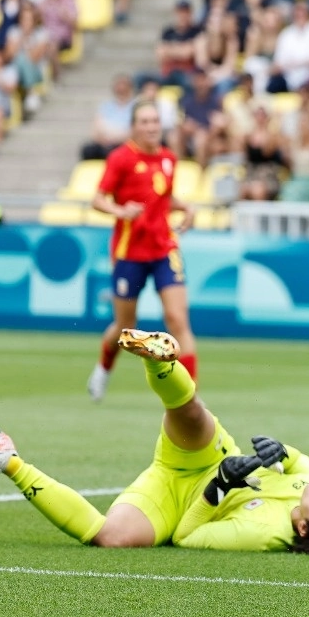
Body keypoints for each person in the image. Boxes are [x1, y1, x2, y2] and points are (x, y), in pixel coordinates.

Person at [0, 329, 309, 556]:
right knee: (190, 413)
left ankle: (5, 458)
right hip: (213, 455)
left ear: (303, 528)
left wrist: (219, 489)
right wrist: (281, 452)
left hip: (175, 498)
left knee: (110, 539)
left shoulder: (262, 534)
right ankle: (161, 363)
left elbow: (187, 538)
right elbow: (301, 464)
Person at [87, 100, 197, 403]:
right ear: (134, 126)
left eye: (155, 121)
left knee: (177, 319)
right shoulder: (121, 158)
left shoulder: (168, 159)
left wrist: (186, 206)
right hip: (129, 252)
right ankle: (103, 368)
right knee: (125, 326)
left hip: (164, 248)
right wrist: (121, 210)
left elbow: (163, 197)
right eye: (144, 121)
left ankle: (190, 395)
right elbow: (97, 199)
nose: (151, 127)